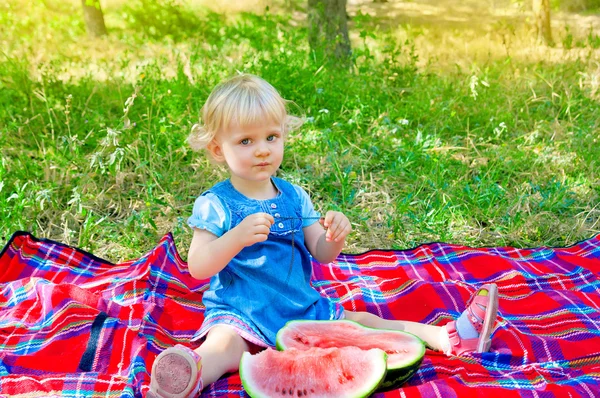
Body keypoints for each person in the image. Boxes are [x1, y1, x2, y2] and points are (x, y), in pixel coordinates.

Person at [148, 74, 499, 398]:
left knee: (363, 323)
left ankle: (447, 336)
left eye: (271, 137)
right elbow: (197, 266)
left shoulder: (293, 196)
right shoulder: (216, 204)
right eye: (245, 141)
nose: (262, 150)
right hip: (240, 313)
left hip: (301, 308)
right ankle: (183, 377)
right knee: (222, 347)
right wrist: (235, 237)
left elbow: (321, 252)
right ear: (217, 149)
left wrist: (335, 236)